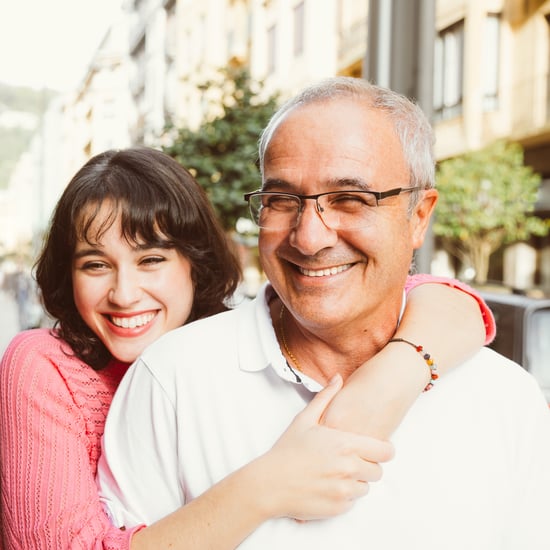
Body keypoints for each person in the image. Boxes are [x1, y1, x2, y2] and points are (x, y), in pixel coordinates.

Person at [97, 78, 550, 549]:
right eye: (282, 200)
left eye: (350, 199)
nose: (309, 238)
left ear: (419, 216)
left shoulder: (504, 399)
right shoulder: (172, 379)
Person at [0, 146, 489, 550]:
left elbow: (433, 294)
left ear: (194, 262)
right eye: (95, 265)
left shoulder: (227, 345)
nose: (124, 293)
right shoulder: (42, 365)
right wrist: (268, 484)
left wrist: (396, 373)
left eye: (151, 259)